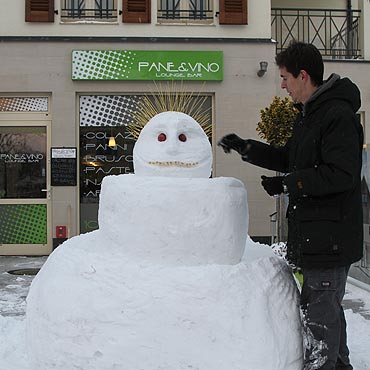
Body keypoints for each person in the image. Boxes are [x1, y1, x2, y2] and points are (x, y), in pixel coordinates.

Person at [218, 41, 363, 370]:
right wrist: (247, 148)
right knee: (327, 318)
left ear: (303, 75)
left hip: (330, 241)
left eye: (285, 77)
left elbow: (341, 175)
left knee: (320, 325)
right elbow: (289, 158)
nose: (282, 85)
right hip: (317, 237)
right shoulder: (310, 116)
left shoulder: (335, 115)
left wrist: (290, 183)